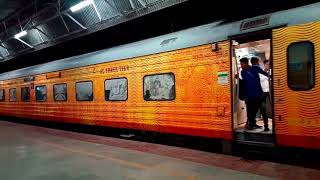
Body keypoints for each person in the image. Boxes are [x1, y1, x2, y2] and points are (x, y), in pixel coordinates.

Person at [240, 57, 268, 130]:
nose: (241, 66)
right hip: (249, 96)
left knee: (259, 110)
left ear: (246, 63)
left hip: (258, 94)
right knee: (250, 112)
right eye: (241, 64)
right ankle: (252, 124)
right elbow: (245, 82)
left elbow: (265, 74)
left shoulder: (255, 68)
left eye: (242, 64)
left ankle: (264, 126)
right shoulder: (242, 72)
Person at [259, 60, 271, 131]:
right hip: (263, 93)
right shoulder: (260, 73)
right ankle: (266, 126)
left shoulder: (272, 72)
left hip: (270, 93)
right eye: (267, 64)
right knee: (263, 109)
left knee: (273, 109)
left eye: (269, 64)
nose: (268, 65)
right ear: (264, 65)